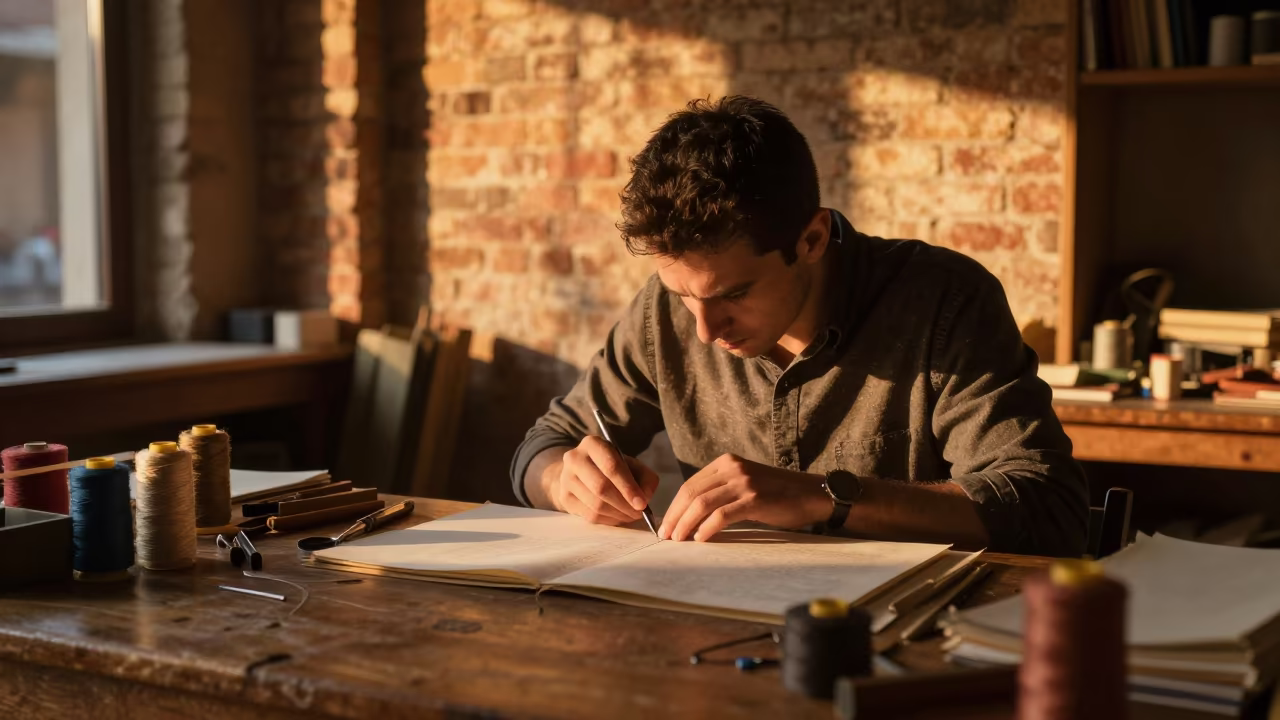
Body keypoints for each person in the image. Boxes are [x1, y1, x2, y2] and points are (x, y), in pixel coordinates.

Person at [508, 96, 1088, 557]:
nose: (705, 330)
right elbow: (542, 447)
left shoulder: (943, 300)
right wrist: (565, 481)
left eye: (733, 294)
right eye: (683, 295)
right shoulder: (667, 312)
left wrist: (824, 497)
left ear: (810, 240)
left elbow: (1045, 509)